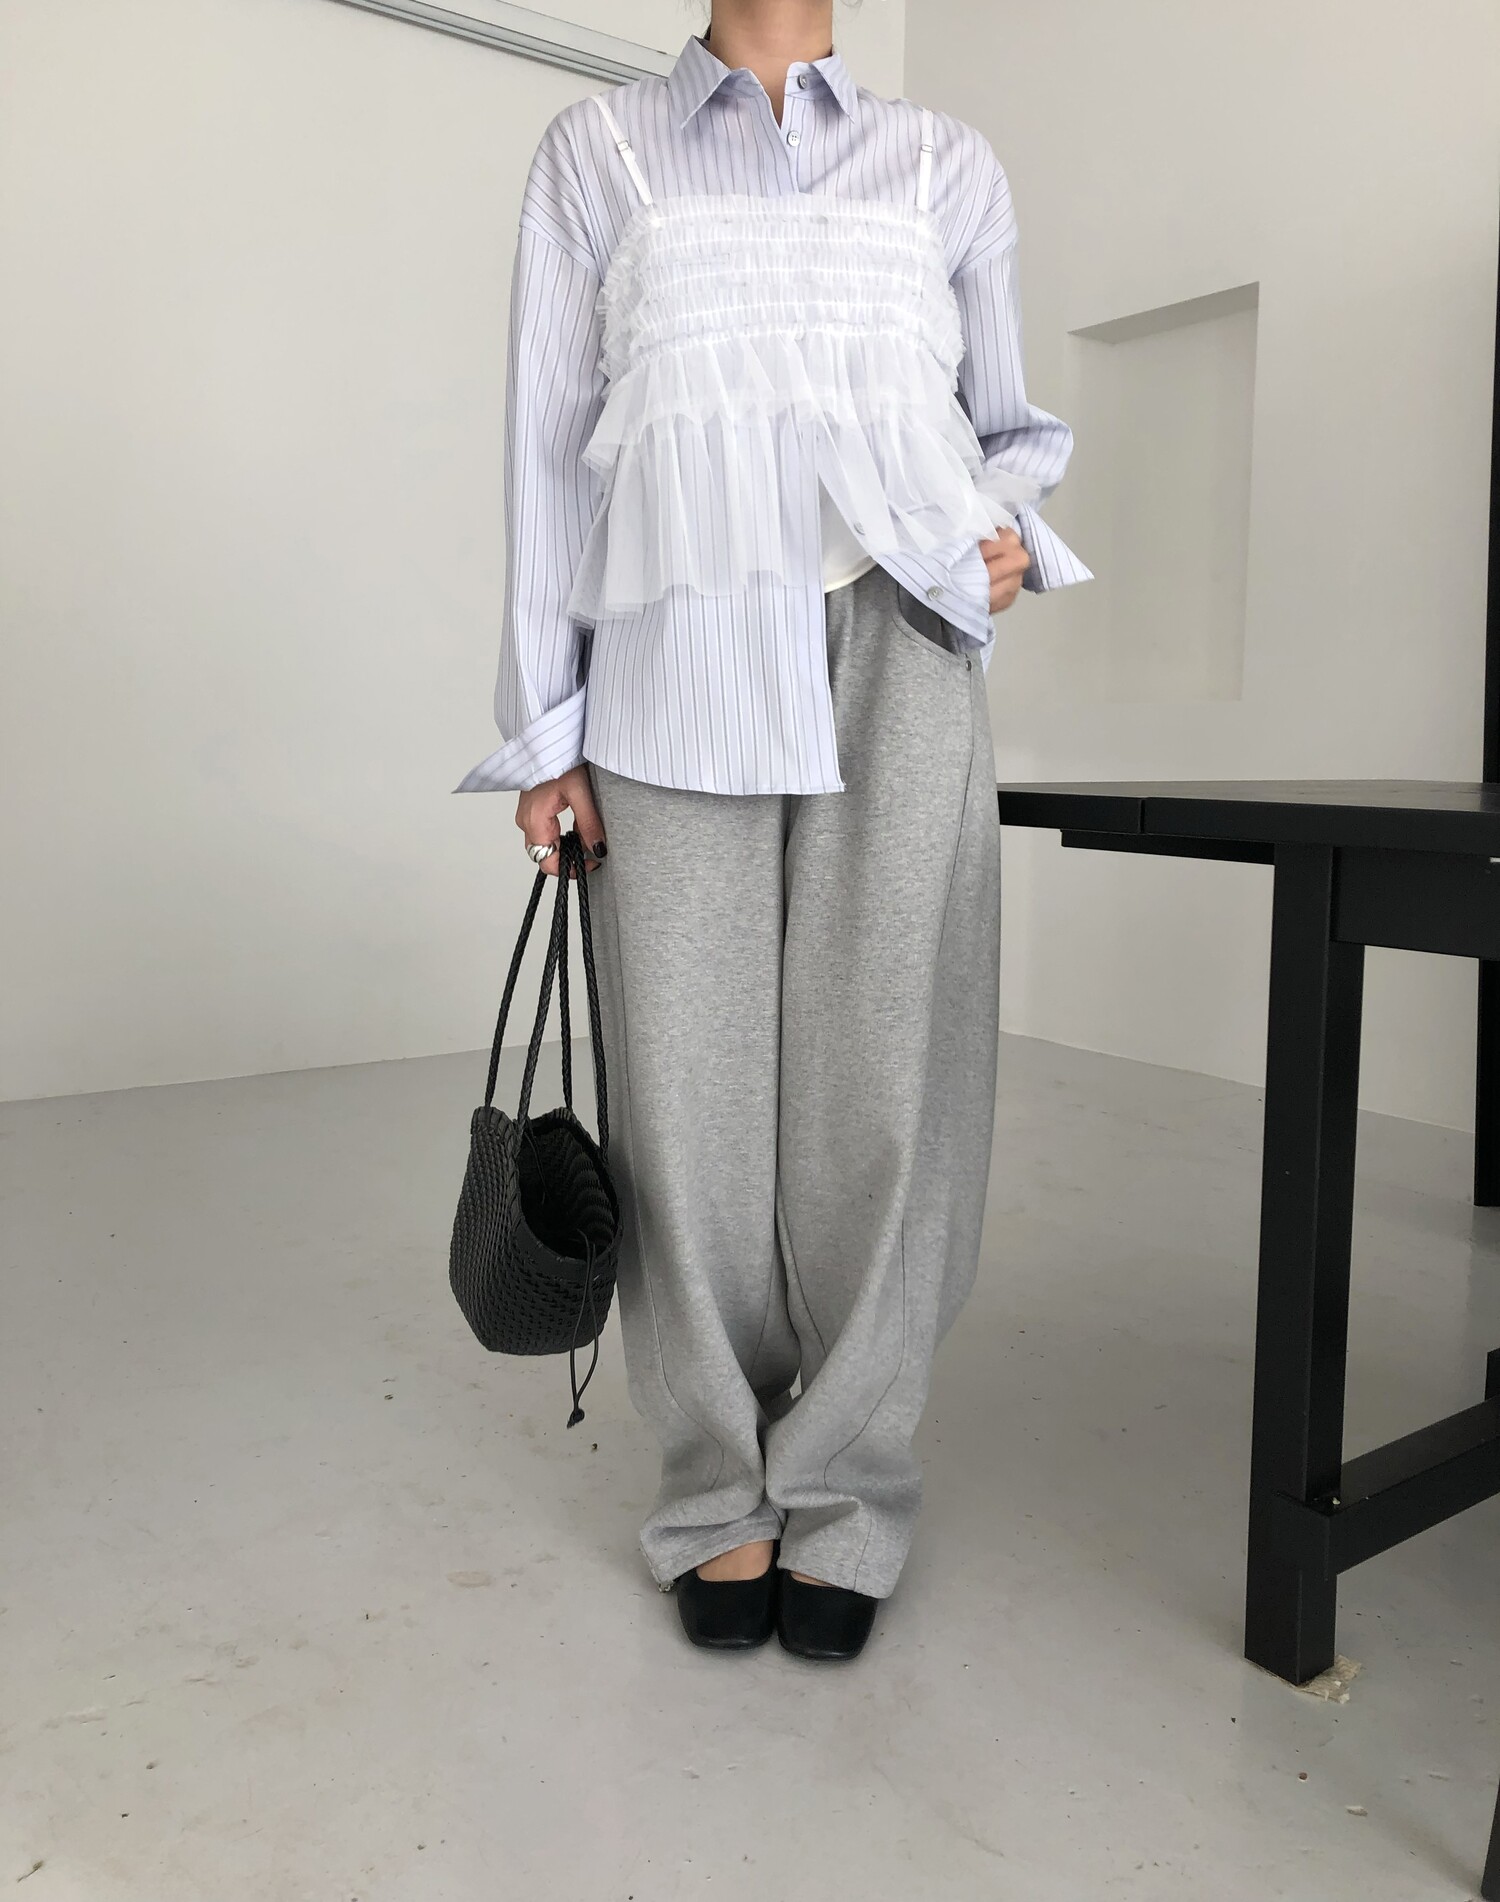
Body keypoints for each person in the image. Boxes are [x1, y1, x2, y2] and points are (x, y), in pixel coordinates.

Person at [456, 1, 1090, 1660]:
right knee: (687, 1095)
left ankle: (849, 1485)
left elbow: (1010, 433)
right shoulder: (595, 154)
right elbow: (548, 457)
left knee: (890, 1080)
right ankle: (712, 1492)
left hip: (906, 643)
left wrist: (1007, 535)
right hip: (676, 641)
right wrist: (547, 729)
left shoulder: (944, 164)